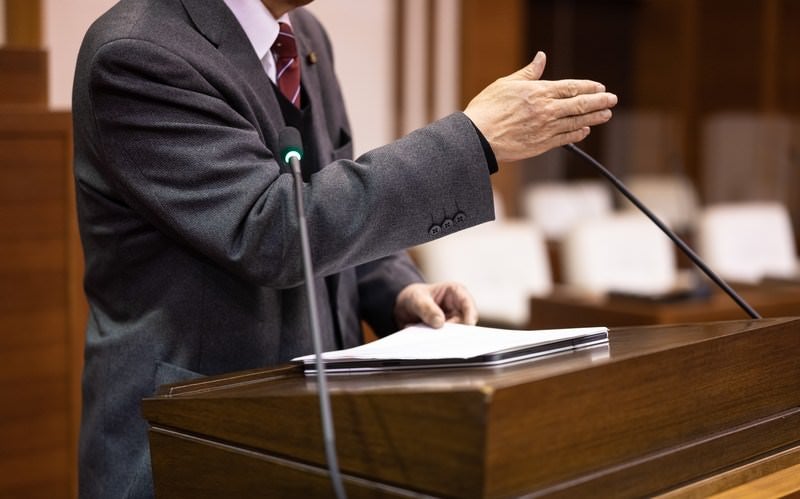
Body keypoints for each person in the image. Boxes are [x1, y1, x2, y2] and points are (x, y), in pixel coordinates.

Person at [72, 0, 617, 496]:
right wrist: (472, 140)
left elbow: (330, 190)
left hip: (308, 427)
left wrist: (398, 289)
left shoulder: (302, 35)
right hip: (189, 433)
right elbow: (271, 230)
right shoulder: (137, 53)